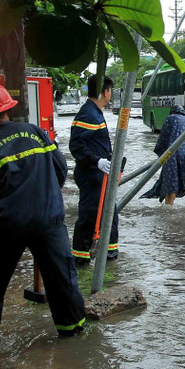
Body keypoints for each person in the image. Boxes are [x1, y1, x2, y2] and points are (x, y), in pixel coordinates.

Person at [0, 84, 86, 353]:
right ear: (8, 108)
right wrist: (46, 196)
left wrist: (3, 220)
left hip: (8, 223)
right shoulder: (36, 133)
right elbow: (61, 169)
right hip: (48, 216)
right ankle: (72, 330)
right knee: (62, 275)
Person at [69, 76, 118, 266]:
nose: (110, 94)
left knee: (108, 214)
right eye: (110, 91)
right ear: (105, 92)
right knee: (90, 216)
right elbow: (76, 146)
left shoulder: (94, 112)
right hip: (92, 175)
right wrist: (97, 161)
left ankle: (109, 256)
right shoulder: (88, 114)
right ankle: (81, 259)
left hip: (99, 175)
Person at [140, 105, 185, 207]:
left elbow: (163, 138)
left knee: (172, 182)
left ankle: (169, 208)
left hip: (174, 155)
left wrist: (161, 155)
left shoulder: (171, 119)